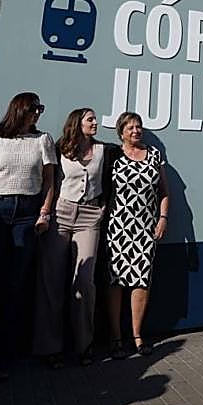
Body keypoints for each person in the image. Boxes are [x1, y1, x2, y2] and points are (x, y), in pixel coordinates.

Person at [0, 92, 57, 385]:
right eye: (34, 109)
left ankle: (3, 358)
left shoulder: (43, 141)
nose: (38, 114)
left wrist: (44, 213)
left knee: (15, 286)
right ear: (20, 110)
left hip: (27, 213)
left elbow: (49, 182)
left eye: (40, 109)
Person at [35, 108, 116, 368]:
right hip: (61, 213)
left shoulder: (104, 150)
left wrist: (104, 203)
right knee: (52, 280)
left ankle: (84, 345)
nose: (95, 122)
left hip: (90, 216)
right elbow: (49, 181)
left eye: (95, 118)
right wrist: (44, 213)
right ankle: (50, 347)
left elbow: (112, 180)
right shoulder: (59, 148)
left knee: (85, 281)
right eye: (90, 119)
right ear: (77, 123)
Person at [106, 111, 171, 356]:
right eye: (130, 127)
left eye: (139, 126)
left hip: (145, 227)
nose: (136, 130)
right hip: (118, 226)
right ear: (121, 131)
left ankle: (137, 336)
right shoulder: (113, 156)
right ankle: (115, 337)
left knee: (142, 280)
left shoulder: (154, 155)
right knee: (116, 280)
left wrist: (163, 218)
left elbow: (164, 190)